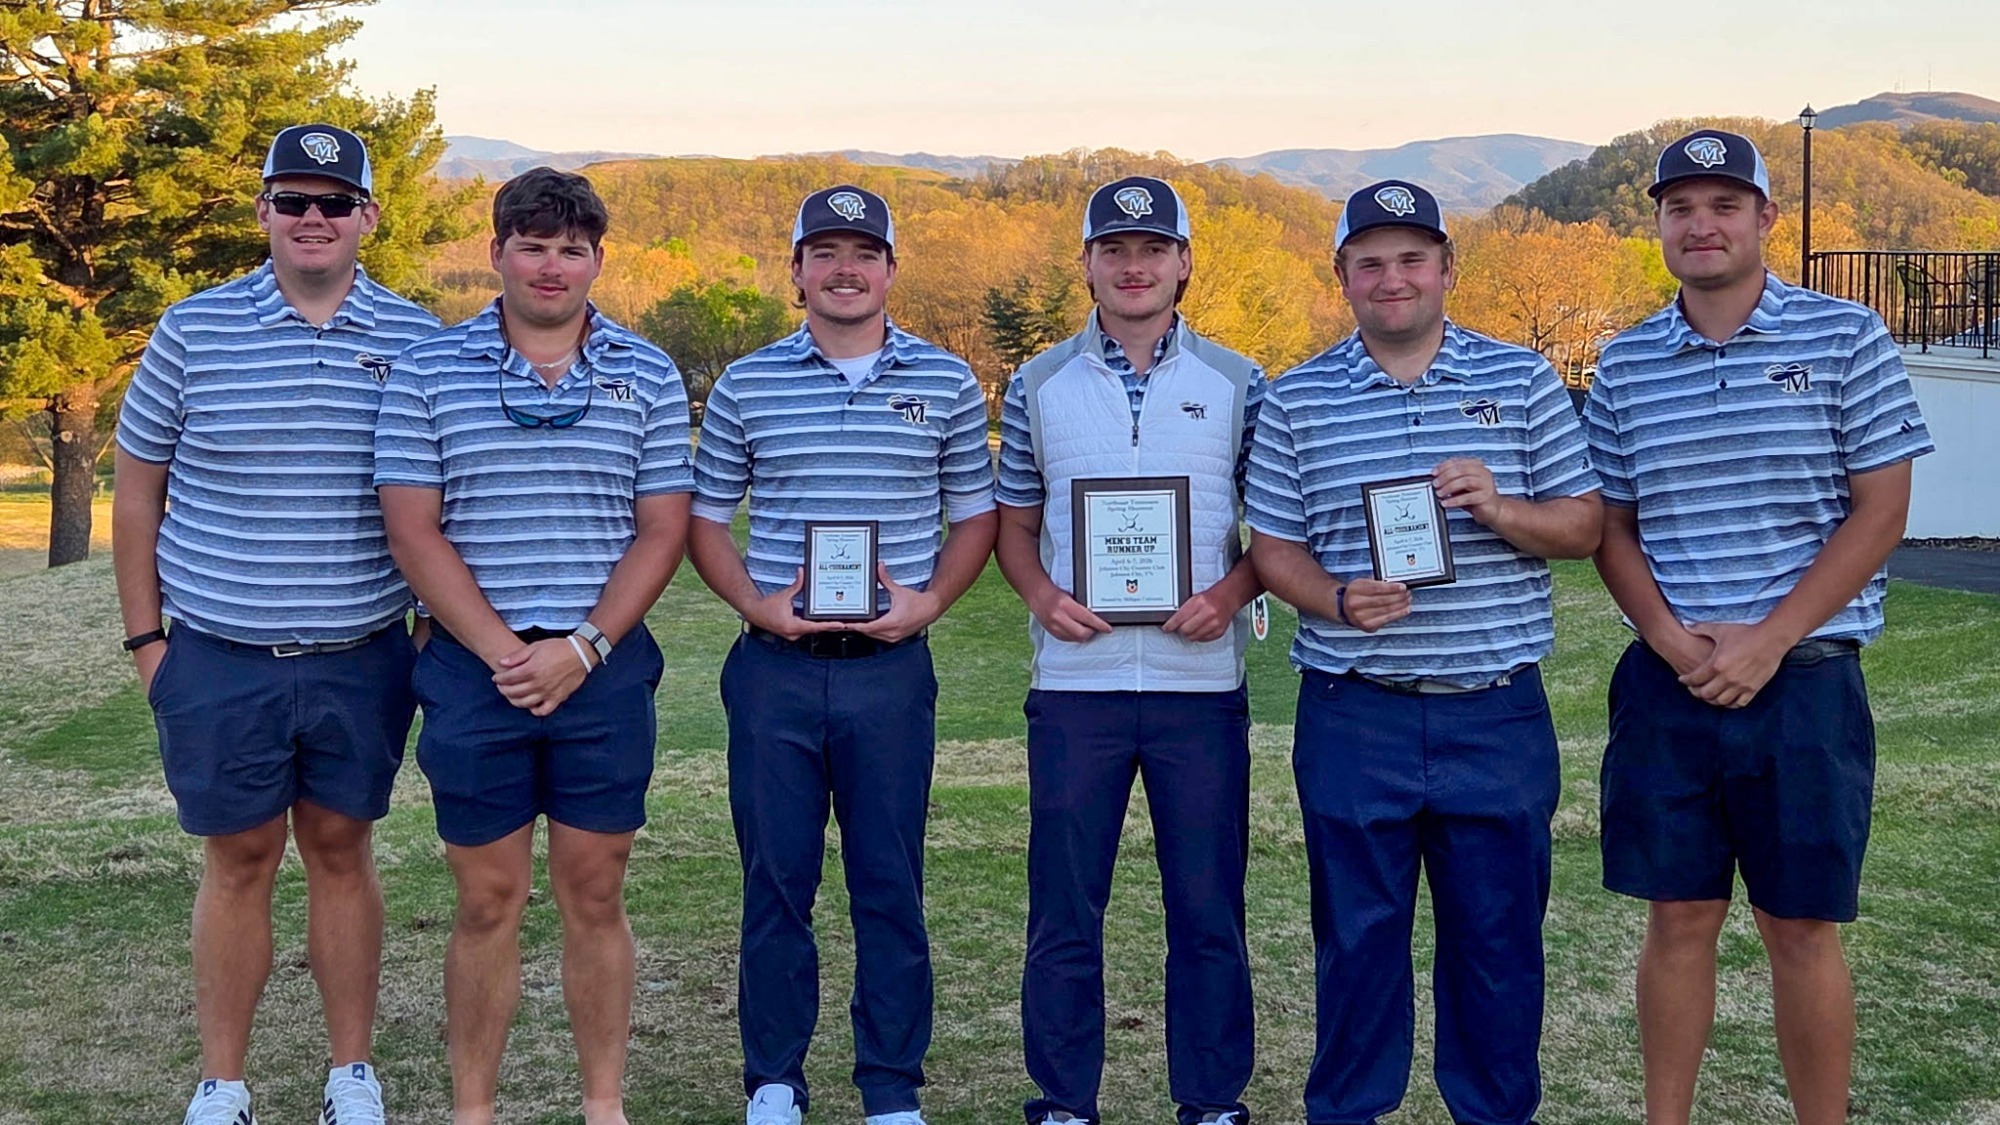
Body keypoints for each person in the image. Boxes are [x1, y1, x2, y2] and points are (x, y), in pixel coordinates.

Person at [1584, 129, 1934, 1125]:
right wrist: (1662, 638)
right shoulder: (1624, 363)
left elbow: (1878, 513)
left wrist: (1768, 637)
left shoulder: (1844, 336)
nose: (1699, 225)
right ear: (1657, 223)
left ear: (1764, 219)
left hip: (1805, 682)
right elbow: (1608, 524)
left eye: (1722, 205)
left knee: (1799, 929)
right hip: (1669, 683)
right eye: (1678, 208)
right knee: (1678, 919)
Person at [1244, 180, 1602, 1125]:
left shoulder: (1523, 381)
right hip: (1356, 709)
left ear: (1447, 267)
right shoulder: (1296, 399)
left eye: (1412, 259)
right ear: (1342, 276)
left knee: (1497, 944)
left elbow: (1584, 526)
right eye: (1370, 262)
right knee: (1356, 942)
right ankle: (1350, 1110)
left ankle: (1493, 1112)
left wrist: (1500, 506)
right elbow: (1273, 548)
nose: (1391, 278)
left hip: (1496, 708)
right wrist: (1333, 596)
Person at [113, 122, 439, 1125]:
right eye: (290, 200)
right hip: (216, 655)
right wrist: (147, 643)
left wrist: (422, 631)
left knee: (343, 852)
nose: (311, 218)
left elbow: (445, 496)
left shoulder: (418, 339)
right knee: (238, 858)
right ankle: (223, 1082)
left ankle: (351, 1074)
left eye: (333, 202)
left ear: (366, 219)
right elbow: (136, 491)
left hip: (360, 656)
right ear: (261, 212)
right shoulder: (192, 330)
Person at [373, 166, 694, 1125]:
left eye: (571, 248)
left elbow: (662, 527)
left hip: (602, 668)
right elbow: (412, 527)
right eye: (532, 244)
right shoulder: (431, 368)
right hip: (479, 673)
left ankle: (604, 1104)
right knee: (487, 897)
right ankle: (474, 1108)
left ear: (598, 259)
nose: (550, 266)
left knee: (595, 892)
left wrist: (585, 646)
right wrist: (506, 650)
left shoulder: (647, 372)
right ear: (496, 252)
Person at [687, 184, 997, 1125]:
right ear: (796, 272)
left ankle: (891, 1087)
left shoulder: (945, 380)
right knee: (776, 878)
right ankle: (774, 1079)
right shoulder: (747, 382)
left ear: (892, 269)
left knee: (888, 881)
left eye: (863, 252)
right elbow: (703, 518)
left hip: (890, 671)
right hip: (775, 668)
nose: (845, 268)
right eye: (823, 253)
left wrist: (931, 601)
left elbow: (976, 514)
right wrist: (755, 603)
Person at [993, 175, 1263, 1125]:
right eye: (1115, 249)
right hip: (1077, 686)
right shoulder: (1036, 381)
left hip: (1201, 685)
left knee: (1207, 911)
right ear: (1089, 266)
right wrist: (1041, 595)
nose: (1134, 265)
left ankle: (1213, 1100)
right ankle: (1064, 1099)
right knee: (1065, 910)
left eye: (1153, 249)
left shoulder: (1238, 380)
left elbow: (1270, 530)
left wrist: (1230, 594)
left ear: (1185, 262)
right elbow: (1014, 525)